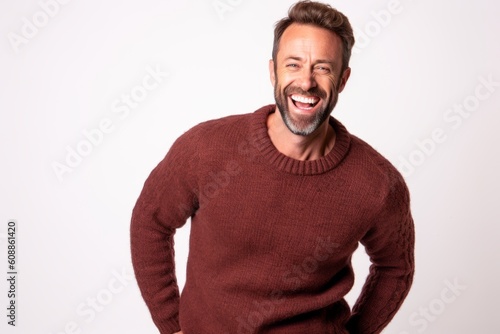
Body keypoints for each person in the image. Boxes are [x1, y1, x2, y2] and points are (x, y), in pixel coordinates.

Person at [130, 1, 415, 333]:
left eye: (323, 67)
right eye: (293, 64)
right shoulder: (206, 148)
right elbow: (150, 223)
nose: (306, 82)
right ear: (273, 71)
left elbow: (396, 267)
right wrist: (171, 324)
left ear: (342, 79)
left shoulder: (377, 183)